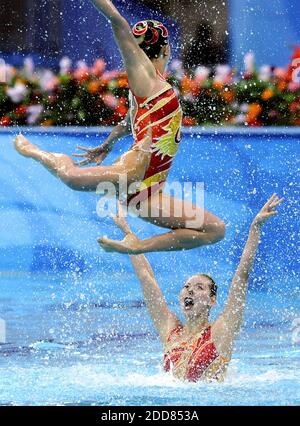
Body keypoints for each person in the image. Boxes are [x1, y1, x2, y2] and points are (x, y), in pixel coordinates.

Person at [13, 0, 225, 254]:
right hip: (131, 176)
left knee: (215, 230)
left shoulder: (153, 88)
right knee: (70, 177)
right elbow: (117, 20)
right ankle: (36, 152)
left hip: (148, 195)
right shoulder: (145, 77)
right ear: (167, 50)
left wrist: (107, 144)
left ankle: (135, 247)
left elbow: (129, 122)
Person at [111, 194, 283, 382]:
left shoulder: (221, 331)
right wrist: (127, 232)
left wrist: (255, 228)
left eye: (199, 287)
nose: (190, 291)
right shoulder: (170, 331)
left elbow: (241, 277)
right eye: (186, 287)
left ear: (212, 300)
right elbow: (146, 278)